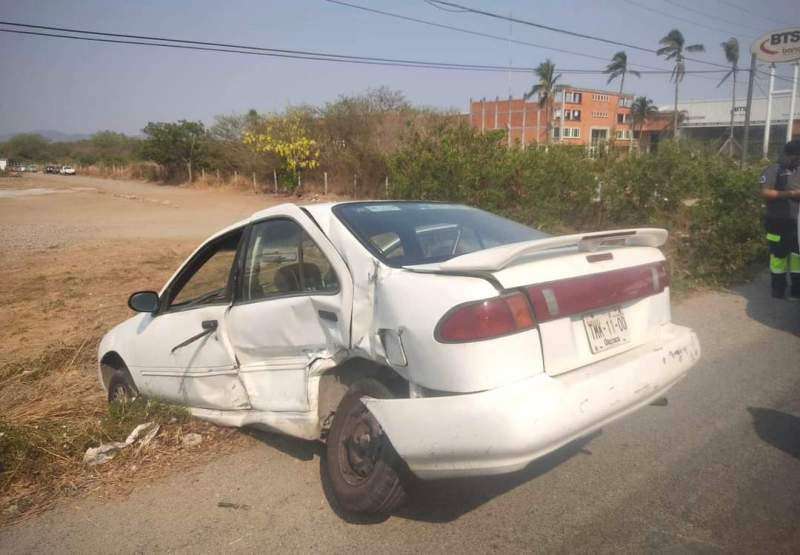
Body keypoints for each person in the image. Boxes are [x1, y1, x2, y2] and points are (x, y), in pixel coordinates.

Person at [760, 139, 800, 299]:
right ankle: (778, 290)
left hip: (796, 222)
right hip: (776, 221)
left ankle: (796, 291)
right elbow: (764, 192)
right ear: (788, 155)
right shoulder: (774, 169)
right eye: (797, 158)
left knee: (798, 256)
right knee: (778, 256)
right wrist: (790, 194)